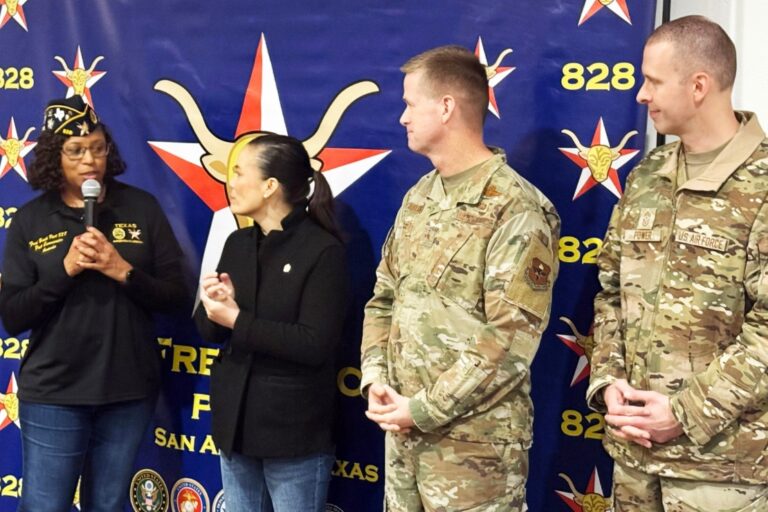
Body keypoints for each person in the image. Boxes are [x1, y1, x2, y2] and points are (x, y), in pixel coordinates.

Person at [360, 45, 560, 511]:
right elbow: (383, 297)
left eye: (410, 104)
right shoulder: (420, 196)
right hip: (403, 432)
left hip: (475, 449)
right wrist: (376, 379)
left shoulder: (516, 206)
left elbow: (510, 339)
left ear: (446, 106)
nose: (403, 118)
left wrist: (423, 409)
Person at [586, 15, 768, 511]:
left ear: (699, 85)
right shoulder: (648, 176)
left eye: (653, 80)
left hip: (721, 470)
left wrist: (685, 412)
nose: (641, 95)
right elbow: (610, 293)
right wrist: (608, 383)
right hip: (634, 460)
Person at [0, 96, 187, 512]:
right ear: (54, 156)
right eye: (76, 151)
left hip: (127, 389)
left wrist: (124, 271)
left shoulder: (140, 207)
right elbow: (13, 316)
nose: (91, 161)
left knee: (108, 504)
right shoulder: (31, 220)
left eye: (98, 148)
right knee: (45, 506)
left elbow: (177, 297)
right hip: (55, 393)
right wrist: (64, 270)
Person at [194, 133, 350, 512]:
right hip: (236, 429)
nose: (230, 182)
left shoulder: (322, 251)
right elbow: (210, 330)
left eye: (239, 172)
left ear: (270, 186)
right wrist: (215, 307)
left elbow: (314, 343)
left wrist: (237, 319)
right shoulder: (238, 243)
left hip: (292, 434)